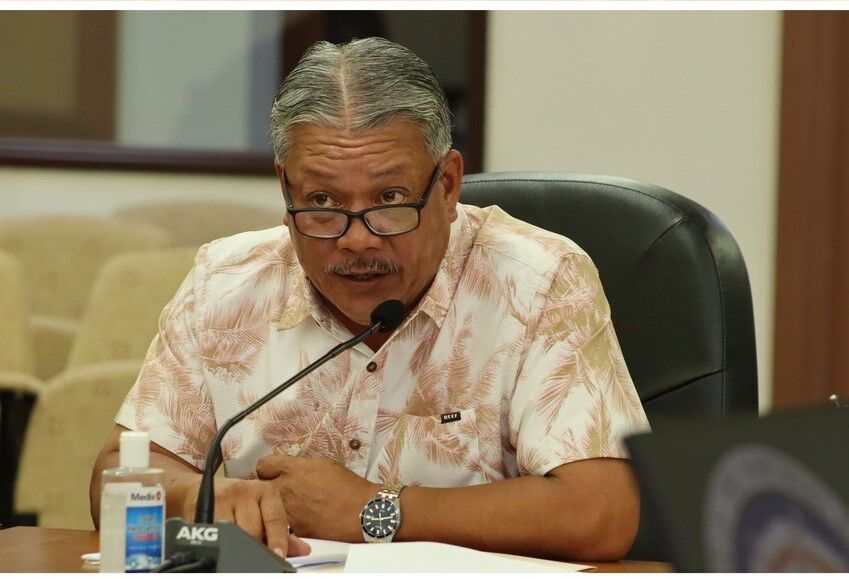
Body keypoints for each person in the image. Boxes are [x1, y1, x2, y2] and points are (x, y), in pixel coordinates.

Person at [90, 37, 649, 563]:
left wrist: (373, 509)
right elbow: (118, 474)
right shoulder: (224, 285)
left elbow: (601, 510)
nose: (357, 238)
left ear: (449, 186)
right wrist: (197, 496)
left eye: (389, 198)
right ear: (285, 189)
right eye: (322, 201)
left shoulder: (536, 281)